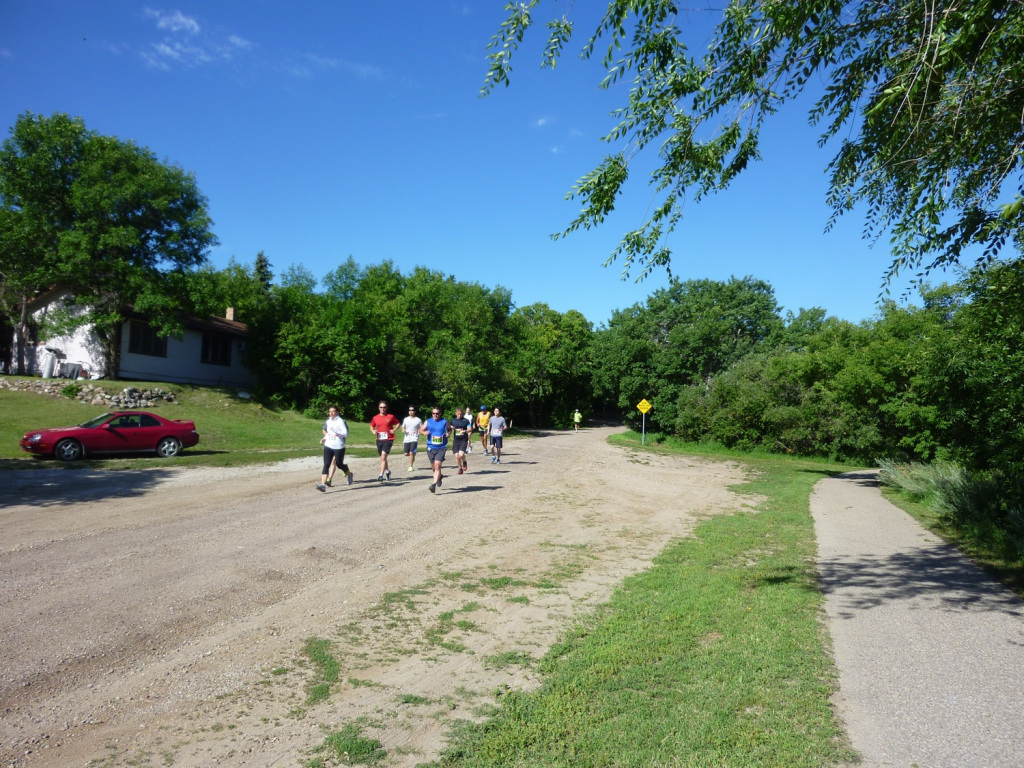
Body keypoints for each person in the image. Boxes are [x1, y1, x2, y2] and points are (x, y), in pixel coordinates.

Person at [315, 405, 353, 492]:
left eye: (333, 411)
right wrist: (324, 439)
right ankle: (323, 485)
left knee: (339, 464)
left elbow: (345, 434)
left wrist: (337, 431)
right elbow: (329, 433)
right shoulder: (328, 421)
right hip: (328, 445)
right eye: (330, 411)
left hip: (338, 446)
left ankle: (349, 474)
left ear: (337, 412)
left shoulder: (340, 421)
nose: (331, 413)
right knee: (326, 464)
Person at [419, 406, 452, 493]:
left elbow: (450, 429)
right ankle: (439, 477)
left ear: (440, 414)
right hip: (431, 447)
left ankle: (433, 485)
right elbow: (420, 430)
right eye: (433, 413)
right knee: (434, 467)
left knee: (437, 465)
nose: (435, 415)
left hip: (441, 447)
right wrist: (424, 432)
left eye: (437, 413)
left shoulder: (444, 422)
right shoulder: (428, 421)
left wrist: (448, 434)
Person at [369, 400, 400, 482]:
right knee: (383, 458)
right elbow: (372, 426)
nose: (383, 409)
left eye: (384, 407)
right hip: (379, 439)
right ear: (378, 408)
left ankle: (380, 475)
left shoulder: (390, 416)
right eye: (381, 407)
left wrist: (394, 429)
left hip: (388, 439)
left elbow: (398, 423)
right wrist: (373, 431)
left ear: (387, 408)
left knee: (383, 457)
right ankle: (387, 471)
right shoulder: (375, 418)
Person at [450, 406, 472, 474]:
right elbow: (449, 428)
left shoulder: (466, 421)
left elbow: (470, 429)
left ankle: (464, 462)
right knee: (457, 456)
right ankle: (460, 468)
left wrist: (465, 431)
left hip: (463, 440)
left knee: (461, 455)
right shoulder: (453, 421)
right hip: (456, 440)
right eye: (458, 414)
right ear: (456, 413)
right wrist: (451, 428)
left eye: (461, 414)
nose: (460, 415)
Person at [402, 405, 422, 471]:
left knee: (411, 452)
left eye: (412, 410)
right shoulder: (406, 419)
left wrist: (420, 431)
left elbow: (421, 428)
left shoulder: (418, 420)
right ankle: (413, 456)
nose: (411, 411)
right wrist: (403, 430)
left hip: (414, 438)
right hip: (407, 438)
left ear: (415, 411)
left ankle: (410, 466)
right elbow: (403, 427)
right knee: (406, 454)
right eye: (409, 410)